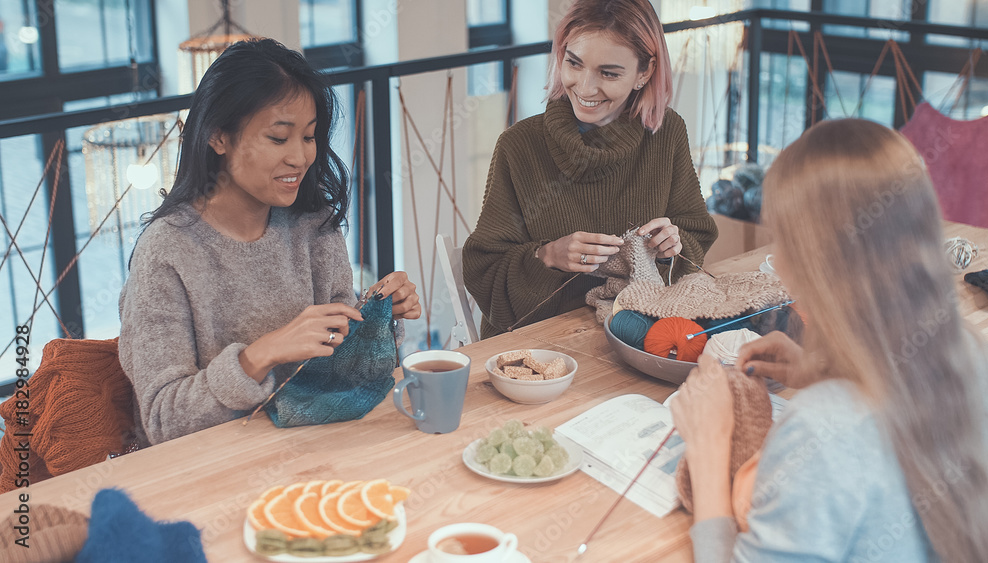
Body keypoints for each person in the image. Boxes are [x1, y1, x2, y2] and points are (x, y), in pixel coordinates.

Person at [672, 119, 988, 561]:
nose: (780, 261)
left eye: (785, 241)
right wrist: (828, 371)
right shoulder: (970, 356)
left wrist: (708, 446)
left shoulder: (821, 429)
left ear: (822, 264)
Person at [119, 39, 420, 446]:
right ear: (218, 137)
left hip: (318, 445)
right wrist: (261, 355)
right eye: (279, 138)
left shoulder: (313, 225)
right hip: (214, 469)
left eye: (310, 137)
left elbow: (343, 373)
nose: (300, 157)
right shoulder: (167, 253)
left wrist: (379, 315)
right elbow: (163, 420)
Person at [462, 0, 717, 339]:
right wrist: (546, 255)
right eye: (574, 63)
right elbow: (485, 269)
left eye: (608, 73)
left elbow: (694, 234)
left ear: (645, 71)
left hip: (636, 332)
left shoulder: (666, 132)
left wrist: (673, 246)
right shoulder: (519, 145)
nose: (584, 87)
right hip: (537, 345)